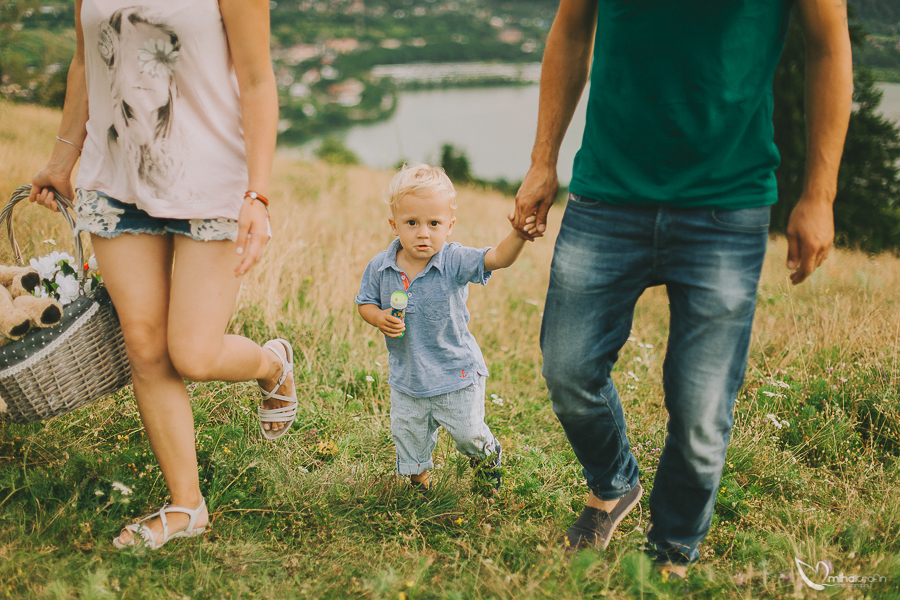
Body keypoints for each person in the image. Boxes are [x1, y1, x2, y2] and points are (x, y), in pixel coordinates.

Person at [511, 0, 852, 577]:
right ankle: (614, 485)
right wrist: (543, 160)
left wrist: (819, 194)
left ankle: (671, 549)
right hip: (607, 193)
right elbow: (572, 27)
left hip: (727, 203)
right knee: (567, 368)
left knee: (700, 411)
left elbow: (828, 45)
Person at [29, 0, 298, 550]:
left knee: (192, 354)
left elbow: (257, 79)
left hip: (210, 182)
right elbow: (85, 62)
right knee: (145, 346)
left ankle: (272, 363)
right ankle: (187, 506)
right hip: (113, 179)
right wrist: (63, 159)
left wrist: (258, 193)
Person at [355, 164, 534, 493]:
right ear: (394, 224)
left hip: (456, 373)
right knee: (409, 436)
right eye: (412, 223)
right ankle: (419, 485)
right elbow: (364, 302)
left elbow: (498, 258)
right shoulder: (381, 266)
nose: (423, 233)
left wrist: (520, 234)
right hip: (409, 376)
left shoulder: (453, 260)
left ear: (449, 226)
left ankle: (486, 457)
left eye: (433, 224)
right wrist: (378, 317)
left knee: (467, 433)